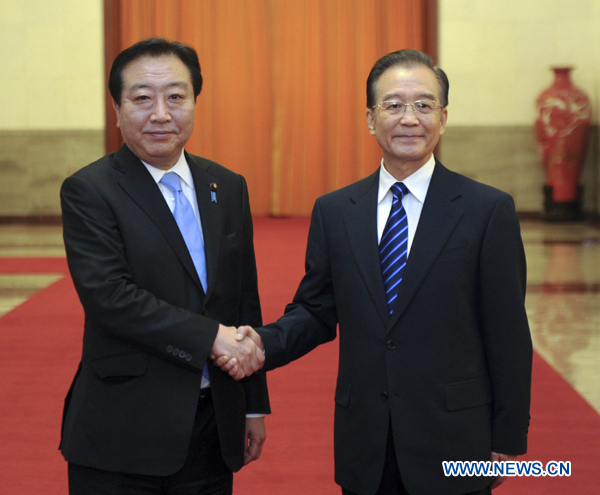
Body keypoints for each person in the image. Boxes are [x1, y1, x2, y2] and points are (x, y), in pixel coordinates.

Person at [220, 49, 532, 495]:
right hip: (365, 441)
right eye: (393, 105)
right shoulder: (336, 211)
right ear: (370, 119)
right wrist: (258, 345)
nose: (409, 119)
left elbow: (508, 335)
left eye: (424, 105)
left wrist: (508, 440)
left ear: (443, 118)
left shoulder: (487, 210)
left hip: (457, 440)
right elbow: (315, 311)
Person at [60, 38, 269, 495]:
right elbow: (110, 298)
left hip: (214, 426)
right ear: (116, 108)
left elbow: (242, 297)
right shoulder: (90, 191)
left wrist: (253, 406)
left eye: (176, 96)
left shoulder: (227, 186)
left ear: (195, 101)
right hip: (124, 431)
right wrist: (210, 337)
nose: (161, 113)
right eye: (142, 98)